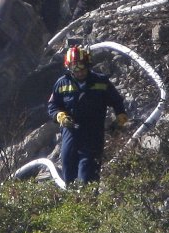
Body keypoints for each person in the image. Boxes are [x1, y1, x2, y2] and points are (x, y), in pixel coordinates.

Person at [47, 45, 128, 184]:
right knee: (68, 168)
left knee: (87, 173)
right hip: (70, 131)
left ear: (88, 65)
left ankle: (89, 202)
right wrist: (60, 116)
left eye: (81, 67)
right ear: (69, 68)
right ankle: (73, 201)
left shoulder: (101, 82)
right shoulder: (61, 84)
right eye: (74, 68)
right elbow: (53, 105)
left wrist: (120, 117)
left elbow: (117, 102)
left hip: (93, 133)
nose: (79, 72)